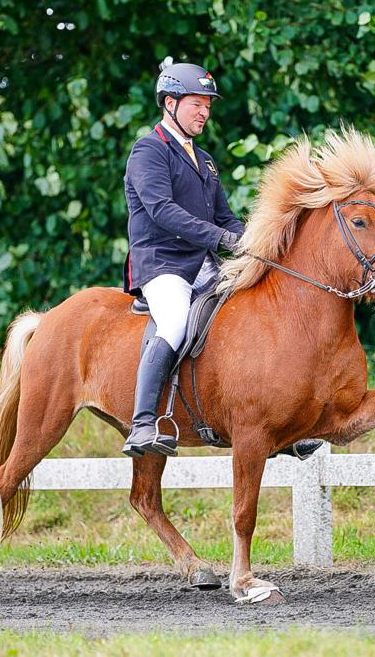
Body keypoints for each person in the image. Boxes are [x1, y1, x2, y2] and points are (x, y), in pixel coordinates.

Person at [120, 58, 245, 457]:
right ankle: (142, 423)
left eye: (208, 106)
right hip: (162, 263)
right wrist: (222, 237)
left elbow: (225, 216)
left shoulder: (205, 158)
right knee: (173, 322)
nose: (205, 112)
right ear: (170, 103)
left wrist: (257, 241)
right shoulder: (148, 151)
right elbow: (162, 211)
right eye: (197, 104)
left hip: (205, 263)